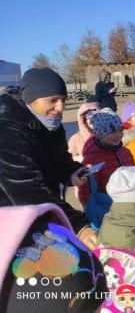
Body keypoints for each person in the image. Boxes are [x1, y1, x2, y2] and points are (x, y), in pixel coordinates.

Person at [0, 68, 97, 250]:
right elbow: (28, 191)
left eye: (63, 100)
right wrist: (77, 225)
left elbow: (60, 158)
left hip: (43, 212)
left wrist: (72, 171)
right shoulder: (7, 132)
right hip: (12, 218)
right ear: (31, 98)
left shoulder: (50, 123)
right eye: (52, 100)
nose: (60, 108)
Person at [79, 112, 135, 206]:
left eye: (120, 130)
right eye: (112, 131)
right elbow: (86, 187)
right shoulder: (92, 158)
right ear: (100, 134)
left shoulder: (125, 152)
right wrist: (89, 206)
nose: (118, 135)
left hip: (130, 199)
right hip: (107, 205)